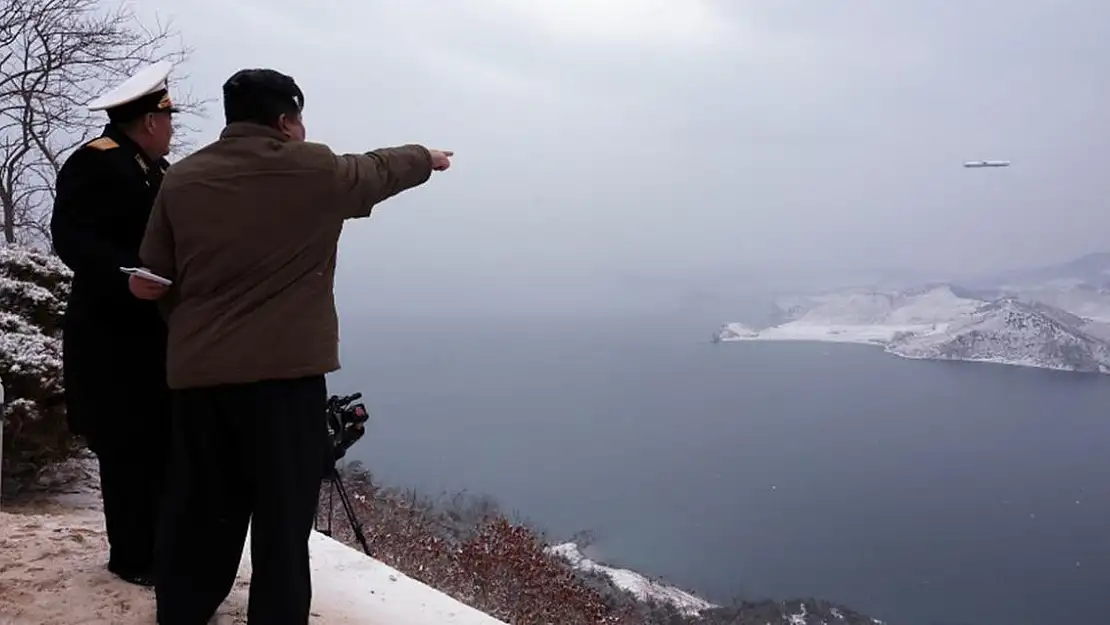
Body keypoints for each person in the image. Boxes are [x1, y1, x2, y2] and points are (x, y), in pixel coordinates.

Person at [130, 68, 452, 624]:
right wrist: (426, 155)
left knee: (201, 508)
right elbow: (379, 168)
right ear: (285, 120)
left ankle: (183, 611)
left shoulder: (180, 179)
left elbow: (155, 275)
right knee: (283, 521)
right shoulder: (316, 170)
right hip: (286, 383)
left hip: (201, 381)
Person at [49, 61, 178, 587]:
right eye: (168, 119)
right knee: (126, 446)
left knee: (160, 443)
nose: (172, 129)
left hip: (155, 333)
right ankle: (132, 557)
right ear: (149, 122)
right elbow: (71, 238)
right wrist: (122, 278)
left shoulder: (158, 171)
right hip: (109, 333)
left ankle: (160, 548)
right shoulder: (94, 163)